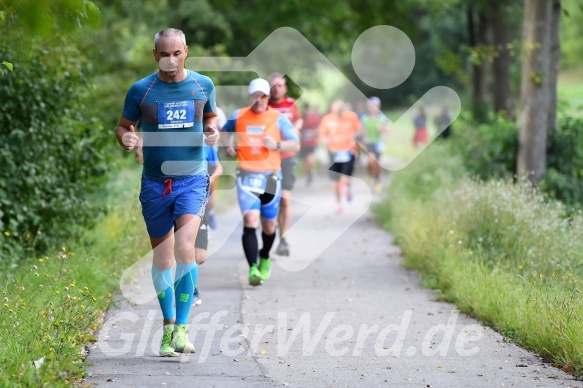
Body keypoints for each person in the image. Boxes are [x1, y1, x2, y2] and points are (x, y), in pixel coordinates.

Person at [115, 28, 220, 357]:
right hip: (155, 184)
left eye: (176, 53)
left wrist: (212, 131)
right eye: (164, 54)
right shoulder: (141, 91)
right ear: (155, 54)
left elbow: (211, 117)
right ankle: (168, 326)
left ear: (186, 51)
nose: (170, 60)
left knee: (185, 249)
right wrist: (127, 139)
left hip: (191, 180)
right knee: (162, 259)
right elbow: (123, 126)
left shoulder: (203, 85)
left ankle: (183, 330)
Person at [221, 78, 299, 286]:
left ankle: (265, 257)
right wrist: (228, 146)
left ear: (268, 97)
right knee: (250, 220)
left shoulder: (278, 118)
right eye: (255, 96)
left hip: (271, 177)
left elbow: (294, 145)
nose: (259, 100)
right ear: (250, 97)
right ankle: (253, 268)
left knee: (268, 225)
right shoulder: (238, 115)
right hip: (246, 176)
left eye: (262, 96)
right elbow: (225, 130)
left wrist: (276, 144)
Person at [268, 73, 303, 257]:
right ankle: (268, 234)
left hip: (287, 156)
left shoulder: (290, 103)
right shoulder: (263, 105)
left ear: (285, 88)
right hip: (267, 159)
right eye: (273, 86)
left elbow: (299, 119)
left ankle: (283, 239)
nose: (276, 89)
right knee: (269, 200)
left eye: (280, 85)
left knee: (285, 200)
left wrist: (296, 128)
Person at [192, 143, 223, 306]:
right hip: (185, 205)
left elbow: (218, 168)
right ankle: (190, 290)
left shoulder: (205, 144)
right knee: (185, 249)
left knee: (200, 257)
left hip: (201, 205)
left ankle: (188, 285)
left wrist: (211, 179)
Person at [320, 100, 361, 214]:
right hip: (334, 152)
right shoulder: (327, 119)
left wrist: (354, 135)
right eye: (336, 110)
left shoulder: (352, 117)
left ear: (344, 109)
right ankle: (338, 204)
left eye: (340, 110)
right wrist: (326, 141)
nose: (338, 112)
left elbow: (359, 130)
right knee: (335, 180)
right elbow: (323, 135)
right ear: (332, 109)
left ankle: (345, 188)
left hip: (349, 151)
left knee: (345, 179)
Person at [360, 96, 389, 193]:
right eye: (371, 106)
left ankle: (377, 182)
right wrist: (363, 134)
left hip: (379, 143)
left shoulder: (382, 118)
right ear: (368, 107)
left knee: (376, 163)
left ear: (378, 107)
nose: (373, 108)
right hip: (369, 142)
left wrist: (382, 129)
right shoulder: (364, 118)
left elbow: (387, 130)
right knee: (370, 161)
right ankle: (369, 174)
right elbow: (361, 131)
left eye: (375, 106)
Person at [299, 104, 321, 186]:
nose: (306, 112)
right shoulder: (301, 118)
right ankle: (307, 178)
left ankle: (312, 172)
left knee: (310, 160)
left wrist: (313, 133)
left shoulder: (314, 118)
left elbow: (318, 129)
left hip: (311, 143)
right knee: (304, 163)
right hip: (303, 143)